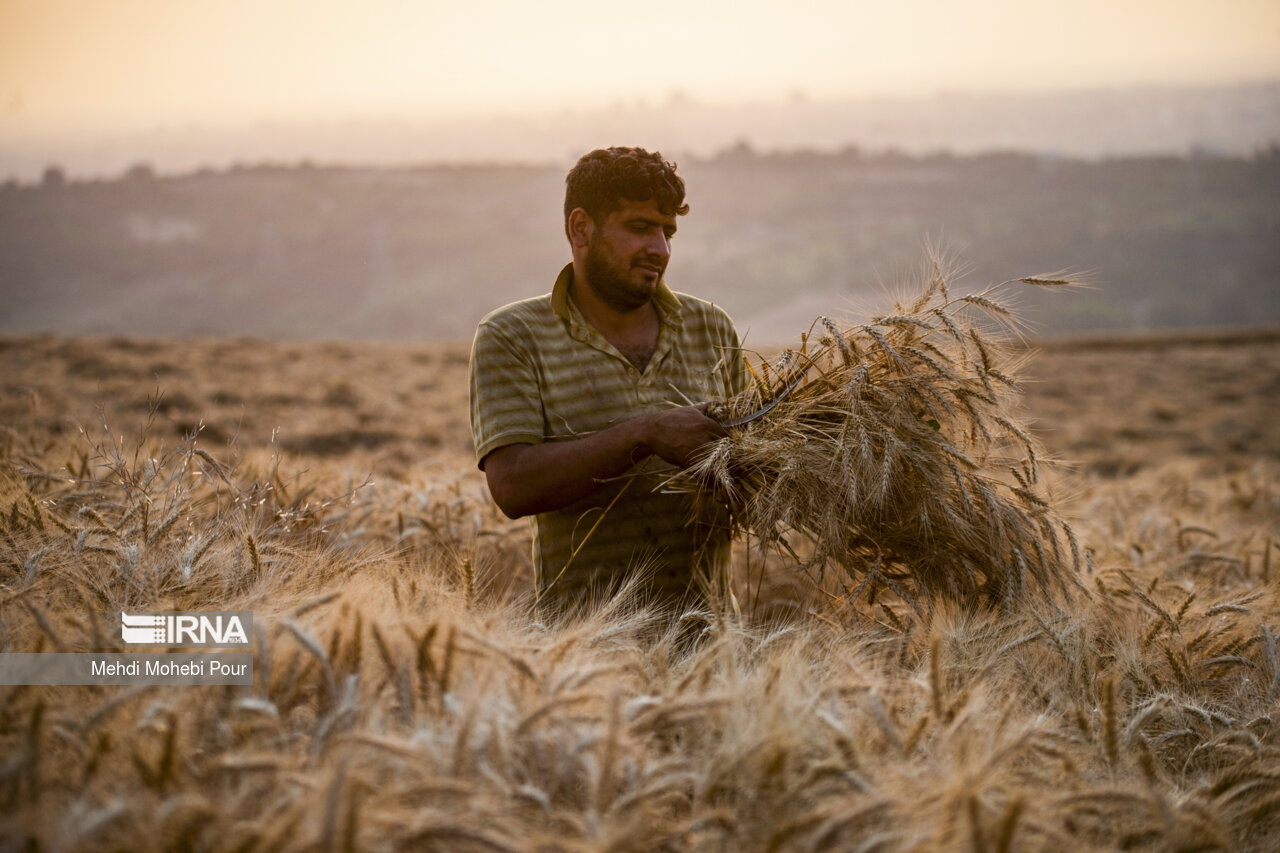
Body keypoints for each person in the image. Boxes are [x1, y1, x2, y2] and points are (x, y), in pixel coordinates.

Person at [468, 146, 745, 618]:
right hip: (585, 656)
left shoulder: (712, 327)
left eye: (668, 231)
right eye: (639, 227)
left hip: (715, 655)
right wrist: (645, 434)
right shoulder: (513, 336)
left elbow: (749, 474)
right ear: (581, 228)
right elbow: (512, 488)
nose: (660, 248)